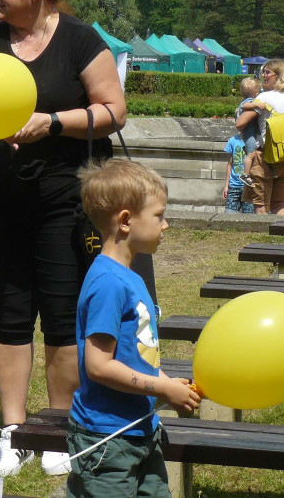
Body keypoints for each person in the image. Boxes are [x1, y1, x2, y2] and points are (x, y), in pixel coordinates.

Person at [0, 0, 139, 477]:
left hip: (66, 203)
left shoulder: (81, 40)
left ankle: (60, 427)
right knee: (9, 316)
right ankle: (13, 433)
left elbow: (114, 110)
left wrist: (53, 122)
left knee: (63, 319)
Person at [70, 159, 200, 498]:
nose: (166, 224)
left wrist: (166, 381)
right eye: (158, 215)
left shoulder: (130, 276)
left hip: (140, 429)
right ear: (126, 221)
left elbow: (135, 353)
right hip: (107, 441)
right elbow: (98, 366)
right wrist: (161, 388)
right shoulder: (108, 284)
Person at [235, 58, 284, 216]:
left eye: (267, 72)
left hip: (263, 158)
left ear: (279, 75)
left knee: (261, 206)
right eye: (263, 72)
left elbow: (240, 124)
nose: (263, 75)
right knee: (279, 205)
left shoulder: (264, 99)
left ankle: (264, 238)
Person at [235, 77, 262, 186]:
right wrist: (256, 104)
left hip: (249, 133)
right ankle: (246, 175)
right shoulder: (248, 102)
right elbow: (245, 106)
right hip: (249, 134)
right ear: (256, 93)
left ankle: (248, 173)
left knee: (251, 153)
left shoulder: (247, 100)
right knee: (251, 154)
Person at [222, 134, 254, 214]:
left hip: (249, 187)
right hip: (234, 186)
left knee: (249, 217)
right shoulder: (233, 141)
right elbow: (230, 164)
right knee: (229, 216)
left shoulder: (254, 141)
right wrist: (226, 186)